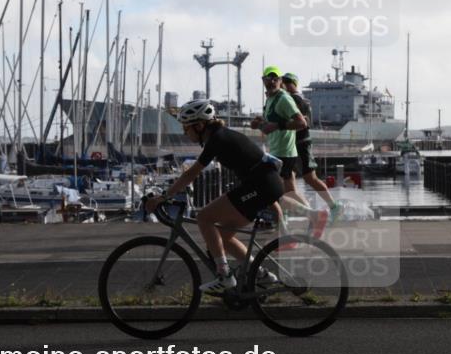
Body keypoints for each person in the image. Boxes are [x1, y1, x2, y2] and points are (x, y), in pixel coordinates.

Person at [145, 100, 284, 292]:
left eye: (187, 128)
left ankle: (224, 275)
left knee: (204, 217)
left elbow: (191, 174)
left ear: (199, 125)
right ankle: (260, 275)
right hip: (264, 185)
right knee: (223, 236)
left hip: (261, 186)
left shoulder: (217, 140)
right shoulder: (220, 136)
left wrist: (163, 197)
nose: (185, 132)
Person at [252, 66, 328, 237]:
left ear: (280, 81)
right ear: (263, 80)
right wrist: (260, 123)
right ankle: (310, 217)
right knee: (288, 193)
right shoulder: (270, 99)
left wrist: (277, 125)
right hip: (278, 151)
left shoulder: (284, 99)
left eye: (275, 78)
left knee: (271, 191)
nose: (271, 81)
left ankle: (288, 229)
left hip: (284, 152)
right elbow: (270, 126)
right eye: (268, 78)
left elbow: (302, 123)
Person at [281, 72, 342, 220]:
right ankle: (290, 214)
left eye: (285, 83)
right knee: (288, 180)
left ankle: (333, 207)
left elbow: (301, 122)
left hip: (300, 143)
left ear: (291, 84)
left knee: (309, 178)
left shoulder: (295, 99)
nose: (283, 85)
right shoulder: (300, 99)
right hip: (294, 145)